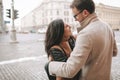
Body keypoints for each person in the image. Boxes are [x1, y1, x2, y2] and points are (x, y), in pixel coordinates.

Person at [45, 0, 118, 80]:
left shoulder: (85, 34)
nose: (75, 19)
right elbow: (114, 52)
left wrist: (49, 66)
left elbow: (70, 70)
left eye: (75, 16)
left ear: (85, 13)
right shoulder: (107, 27)